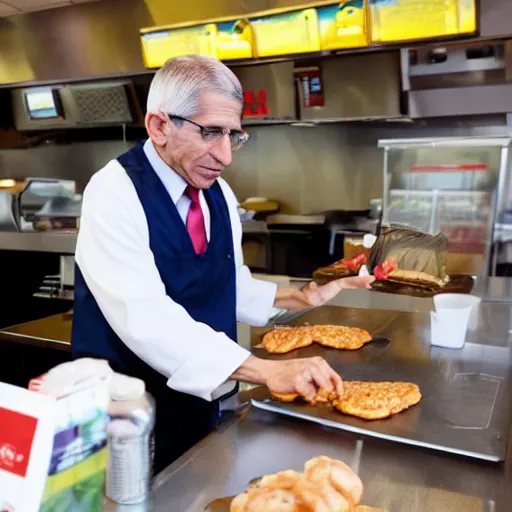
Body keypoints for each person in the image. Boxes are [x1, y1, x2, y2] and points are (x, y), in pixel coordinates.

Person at [71, 54, 374, 473]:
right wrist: (265, 371)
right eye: (211, 132)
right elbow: (146, 318)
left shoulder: (217, 193)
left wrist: (308, 295)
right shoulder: (113, 192)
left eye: (233, 135)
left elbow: (227, 283)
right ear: (159, 126)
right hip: (126, 411)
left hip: (197, 401)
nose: (226, 155)